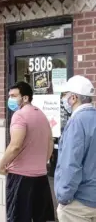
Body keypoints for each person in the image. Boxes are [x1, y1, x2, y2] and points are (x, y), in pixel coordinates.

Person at [0, 82, 55, 222]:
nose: (10, 99)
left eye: (13, 95)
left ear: (25, 98)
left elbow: (15, 146)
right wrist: (42, 162)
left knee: (17, 218)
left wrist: (1, 164)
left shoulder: (19, 115)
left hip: (20, 178)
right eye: (9, 95)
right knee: (40, 218)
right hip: (41, 177)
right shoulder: (41, 115)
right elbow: (50, 142)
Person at [55, 75, 96, 222]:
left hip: (79, 203)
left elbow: (70, 164)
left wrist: (63, 197)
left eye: (65, 95)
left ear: (73, 98)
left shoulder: (77, 122)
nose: (63, 98)